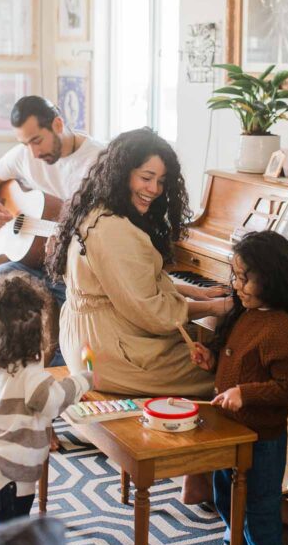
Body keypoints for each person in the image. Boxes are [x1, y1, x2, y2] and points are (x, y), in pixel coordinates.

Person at [46, 127, 232, 398]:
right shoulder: (114, 229)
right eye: (146, 178)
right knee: (230, 370)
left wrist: (192, 291)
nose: (154, 190)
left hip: (86, 343)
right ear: (122, 173)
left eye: (161, 181)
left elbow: (128, 284)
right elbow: (152, 312)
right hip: (108, 356)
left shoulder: (96, 209)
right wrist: (214, 307)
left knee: (210, 349)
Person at [0, 95, 103, 388]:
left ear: (58, 124)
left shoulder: (99, 162)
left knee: (65, 328)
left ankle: (57, 413)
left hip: (73, 274)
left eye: (37, 140)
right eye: (25, 143)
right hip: (32, 264)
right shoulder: (24, 155)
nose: (32, 152)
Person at [193, 229, 288, 545]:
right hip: (232, 431)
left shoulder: (279, 328)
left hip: (262, 437)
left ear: (270, 278)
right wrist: (211, 361)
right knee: (225, 492)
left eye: (245, 278)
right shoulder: (247, 314)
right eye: (235, 276)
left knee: (259, 502)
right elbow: (238, 367)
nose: (237, 285)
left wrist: (246, 394)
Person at [0, 270, 93, 524]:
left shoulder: (0, 369)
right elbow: (53, 401)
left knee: (7, 534)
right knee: (15, 539)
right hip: (11, 477)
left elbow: (33, 398)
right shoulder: (31, 376)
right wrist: (83, 380)